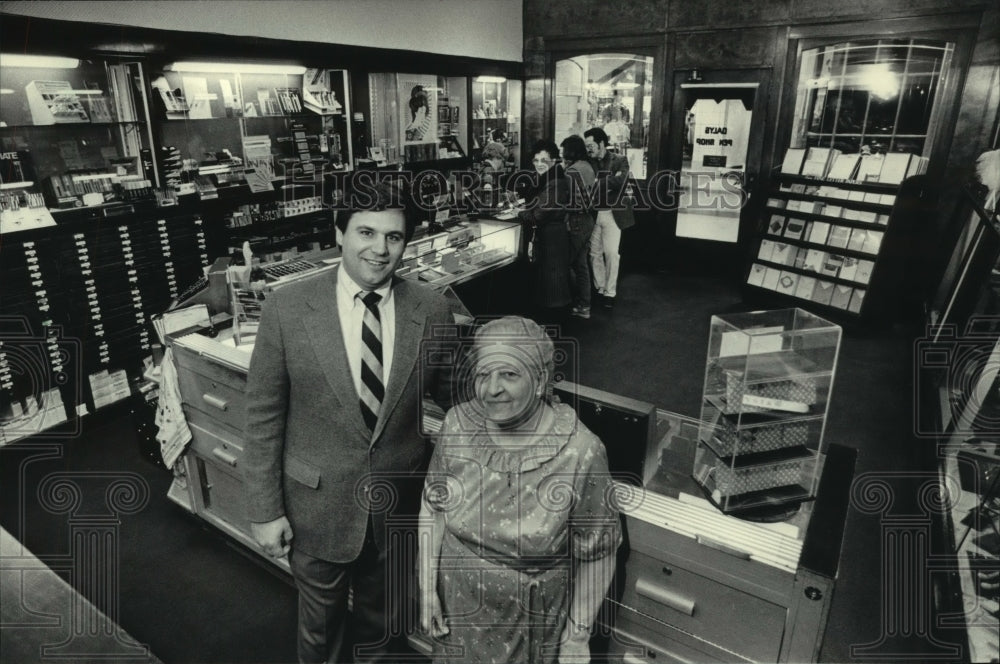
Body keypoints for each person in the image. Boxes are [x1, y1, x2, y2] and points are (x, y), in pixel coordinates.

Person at [243, 181, 455, 663]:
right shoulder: (287, 309)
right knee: (320, 637)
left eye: (394, 237)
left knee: (385, 631)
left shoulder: (433, 308)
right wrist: (263, 509)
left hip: (397, 506)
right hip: (315, 509)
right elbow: (262, 417)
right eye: (365, 232)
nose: (379, 249)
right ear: (339, 233)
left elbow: (454, 397)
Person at [419, 316, 621, 664]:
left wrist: (577, 636)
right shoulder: (457, 425)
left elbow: (598, 552)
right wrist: (427, 592)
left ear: (541, 380)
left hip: (528, 623)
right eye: (484, 374)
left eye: (509, 374)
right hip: (456, 608)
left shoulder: (581, 452)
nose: (492, 388)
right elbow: (433, 510)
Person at [517, 140, 572, 317]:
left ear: (554, 160)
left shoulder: (555, 181)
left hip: (552, 238)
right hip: (552, 236)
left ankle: (554, 326)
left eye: (544, 160)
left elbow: (539, 215)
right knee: (551, 283)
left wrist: (520, 212)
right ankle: (554, 324)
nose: (539, 164)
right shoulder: (550, 177)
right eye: (536, 160)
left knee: (553, 283)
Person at [584, 127, 635, 309]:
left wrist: (597, 182)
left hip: (613, 214)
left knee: (612, 253)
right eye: (586, 146)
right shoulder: (587, 162)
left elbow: (621, 182)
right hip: (593, 213)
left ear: (601, 144)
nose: (588, 149)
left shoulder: (619, 160)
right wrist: (606, 182)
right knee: (594, 254)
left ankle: (610, 292)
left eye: (591, 145)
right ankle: (600, 288)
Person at [560, 135, 596, 319]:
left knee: (565, 263)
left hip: (576, 222)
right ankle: (584, 305)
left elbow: (576, 203)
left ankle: (566, 303)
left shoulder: (572, 171)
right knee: (581, 265)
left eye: (563, 151)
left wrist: (558, 206)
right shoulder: (588, 166)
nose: (562, 154)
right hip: (588, 220)